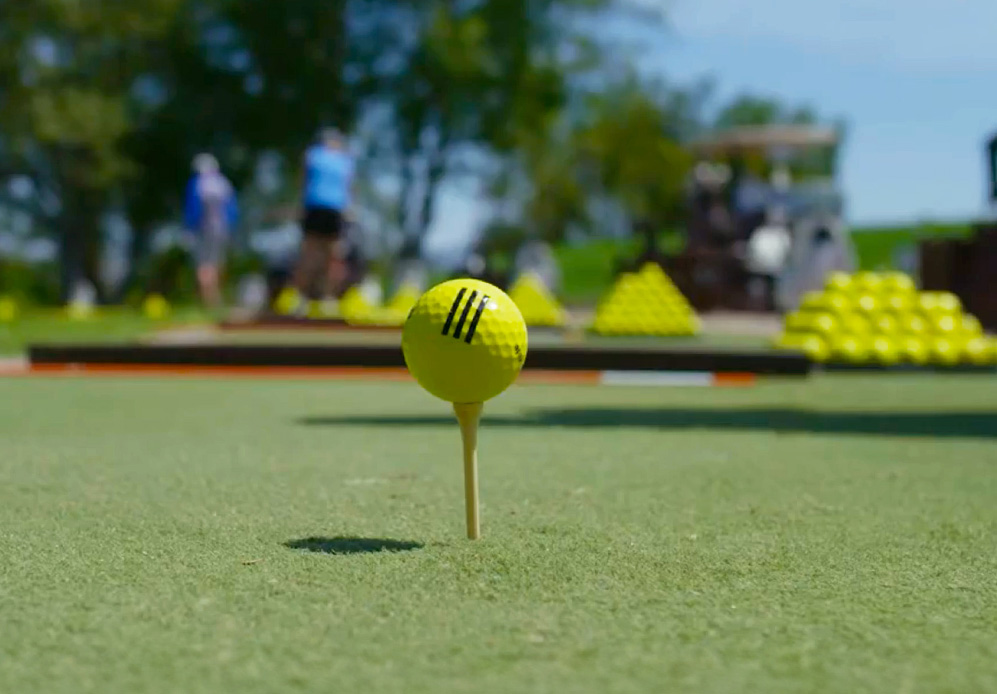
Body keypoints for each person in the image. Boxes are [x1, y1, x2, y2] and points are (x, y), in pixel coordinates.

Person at [289, 127, 355, 311]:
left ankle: (317, 298)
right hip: (327, 209)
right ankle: (313, 298)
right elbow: (348, 186)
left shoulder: (315, 156)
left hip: (324, 209)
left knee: (322, 256)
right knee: (323, 255)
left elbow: (303, 182)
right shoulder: (340, 159)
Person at [183, 153, 238, 309]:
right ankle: (214, 298)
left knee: (203, 264)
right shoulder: (223, 183)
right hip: (222, 230)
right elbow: (233, 210)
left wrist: (189, 231)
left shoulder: (197, 184)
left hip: (202, 230)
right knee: (217, 263)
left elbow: (192, 211)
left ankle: (208, 300)